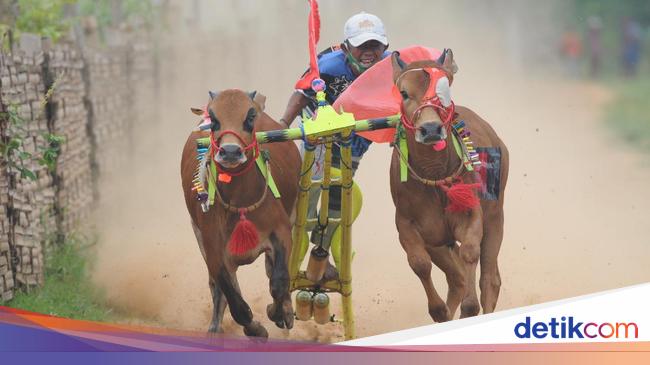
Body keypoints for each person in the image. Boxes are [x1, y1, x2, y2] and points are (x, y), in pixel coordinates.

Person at [279, 12, 390, 275]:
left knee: (339, 201)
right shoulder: (328, 66)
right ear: (346, 47)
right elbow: (301, 94)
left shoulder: (391, 69)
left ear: (385, 46)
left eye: (374, 45)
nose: (368, 52)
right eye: (362, 45)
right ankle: (293, 256)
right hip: (317, 140)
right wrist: (282, 125)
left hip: (355, 143)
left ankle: (323, 253)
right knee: (309, 196)